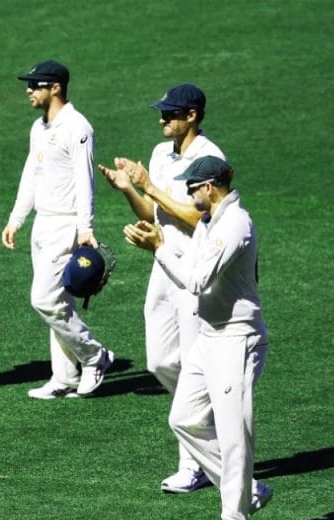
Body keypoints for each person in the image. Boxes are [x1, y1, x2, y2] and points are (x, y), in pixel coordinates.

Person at [124, 156, 271, 520]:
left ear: (210, 187)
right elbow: (190, 264)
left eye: (192, 187)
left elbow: (196, 279)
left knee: (233, 433)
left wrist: (157, 248)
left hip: (236, 340)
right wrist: (158, 243)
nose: (188, 194)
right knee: (184, 418)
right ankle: (247, 490)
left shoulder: (235, 224)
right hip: (210, 336)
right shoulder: (209, 223)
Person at [98, 84, 221, 493]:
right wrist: (129, 190)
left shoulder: (209, 157)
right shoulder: (159, 153)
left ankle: (195, 463)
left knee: (189, 362)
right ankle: (208, 429)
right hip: (162, 265)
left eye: (169, 114)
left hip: (193, 270)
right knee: (161, 362)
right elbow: (154, 212)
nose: (161, 119)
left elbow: (197, 217)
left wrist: (149, 185)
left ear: (191, 116)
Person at [2, 60, 113, 400]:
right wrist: (17, 218)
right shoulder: (40, 127)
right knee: (60, 300)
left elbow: (85, 181)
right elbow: (30, 174)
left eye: (36, 84)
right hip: (42, 224)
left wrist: (85, 227)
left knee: (44, 299)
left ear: (56, 88)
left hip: (66, 224)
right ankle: (63, 377)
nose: (29, 90)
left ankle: (95, 356)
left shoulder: (77, 127)